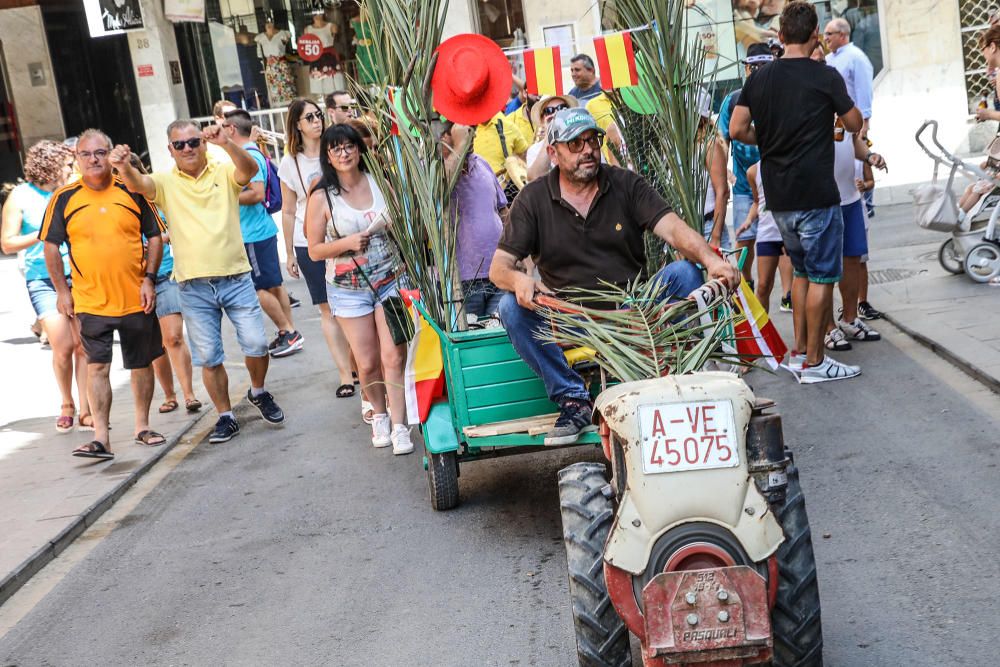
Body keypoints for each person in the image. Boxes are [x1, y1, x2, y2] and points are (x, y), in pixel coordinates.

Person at [489, 108, 740, 444]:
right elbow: (499, 268)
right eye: (575, 144)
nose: (588, 150)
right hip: (571, 317)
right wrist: (519, 280)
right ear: (553, 153)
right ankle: (572, 399)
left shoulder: (624, 184)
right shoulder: (533, 199)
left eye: (592, 140)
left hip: (635, 308)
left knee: (684, 272)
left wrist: (712, 260)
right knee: (510, 308)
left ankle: (681, 376)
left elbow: (674, 230)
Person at [111, 119, 285, 443]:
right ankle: (225, 416)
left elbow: (247, 172)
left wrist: (227, 143)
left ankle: (258, 391)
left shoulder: (221, 167)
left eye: (194, 142)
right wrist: (122, 166)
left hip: (235, 277)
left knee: (258, 344)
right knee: (209, 357)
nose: (188, 148)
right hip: (193, 286)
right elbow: (138, 185)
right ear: (170, 150)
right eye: (180, 145)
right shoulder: (163, 182)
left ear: (203, 143)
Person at [729, 0, 865, 383]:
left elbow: (738, 129)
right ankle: (817, 362)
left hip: (780, 198)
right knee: (821, 277)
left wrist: (768, 140)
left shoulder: (759, 79)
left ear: (782, 34)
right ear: (815, 33)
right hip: (817, 194)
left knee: (803, 273)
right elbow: (853, 121)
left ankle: (804, 352)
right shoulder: (825, 76)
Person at [40, 129, 166, 460]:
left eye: (100, 153)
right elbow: (51, 246)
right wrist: (61, 291)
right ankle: (100, 438)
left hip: (135, 296)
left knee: (141, 364)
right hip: (90, 301)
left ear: (109, 155)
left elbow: (155, 236)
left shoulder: (132, 189)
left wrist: (149, 279)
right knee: (97, 366)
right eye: (86, 154)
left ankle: (142, 426)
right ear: (76, 159)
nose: (94, 159)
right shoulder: (64, 198)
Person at [305, 124, 413, 455]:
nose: (344, 153)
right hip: (348, 289)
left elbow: (405, 222)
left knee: (394, 354)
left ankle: (400, 425)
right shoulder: (322, 196)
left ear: (359, 149)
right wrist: (347, 243)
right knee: (366, 363)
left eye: (349, 146)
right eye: (336, 149)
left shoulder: (381, 182)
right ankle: (378, 415)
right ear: (327, 156)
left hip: (391, 279)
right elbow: (314, 250)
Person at [1, 140, 92, 433]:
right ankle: (67, 402)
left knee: (83, 345)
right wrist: (43, 234)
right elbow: (7, 242)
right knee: (63, 345)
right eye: (67, 164)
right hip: (42, 279)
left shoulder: (72, 191)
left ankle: (87, 408)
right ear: (50, 165)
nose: (72, 168)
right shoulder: (20, 196)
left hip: (79, 274)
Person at [277, 99, 359, 402]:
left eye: (318, 115)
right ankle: (344, 374)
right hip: (308, 240)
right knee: (327, 309)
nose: (316, 121)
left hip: (346, 235)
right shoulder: (290, 163)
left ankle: (359, 364)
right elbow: (287, 210)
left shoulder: (336, 148)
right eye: (309, 117)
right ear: (297, 124)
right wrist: (288, 252)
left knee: (352, 304)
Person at [221, 109, 304, 358]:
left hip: (253, 234)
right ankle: (288, 332)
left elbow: (256, 193)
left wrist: (225, 197)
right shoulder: (251, 152)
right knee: (273, 285)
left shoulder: (248, 155)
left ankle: (287, 331)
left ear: (232, 129)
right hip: (259, 231)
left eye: (224, 127)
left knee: (257, 288)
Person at [123, 155, 202, 415]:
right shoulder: (117, 202)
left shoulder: (157, 196)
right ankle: (170, 395)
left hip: (165, 274)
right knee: (154, 344)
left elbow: (179, 226)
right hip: (134, 280)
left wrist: (159, 238)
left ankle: (189, 394)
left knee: (173, 337)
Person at [441, 122, 509, 319]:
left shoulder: (481, 163)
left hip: (499, 271)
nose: (470, 135)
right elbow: (442, 186)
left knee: (500, 334)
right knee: (472, 341)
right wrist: (460, 144)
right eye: (463, 130)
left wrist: (516, 254)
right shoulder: (433, 170)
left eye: (471, 130)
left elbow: (503, 210)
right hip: (463, 281)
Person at [719, 43, 775, 282]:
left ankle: (787, 295)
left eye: (764, 66)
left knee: (780, 244)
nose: (758, 71)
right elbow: (722, 140)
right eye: (754, 67)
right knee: (745, 242)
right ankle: (746, 286)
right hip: (743, 186)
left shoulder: (779, 98)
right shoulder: (732, 102)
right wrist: (724, 172)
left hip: (775, 184)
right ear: (746, 70)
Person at [824, 18, 873, 138]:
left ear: (842, 35)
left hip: (852, 122)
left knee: (856, 155)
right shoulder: (827, 59)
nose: (825, 38)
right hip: (832, 124)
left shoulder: (856, 57)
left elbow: (863, 89)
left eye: (829, 34)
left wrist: (864, 122)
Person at [700, 93, 731, 249]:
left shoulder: (709, 145)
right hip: (689, 228)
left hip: (709, 227)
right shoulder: (684, 146)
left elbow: (723, 191)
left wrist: (716, 237)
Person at [526, 94, 579, 181]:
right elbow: (534, 178)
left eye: (562, 108)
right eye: (549, 111)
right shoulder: (535, 149)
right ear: (542, 120)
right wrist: (550, 134)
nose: (556, 113)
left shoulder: (583, 139)